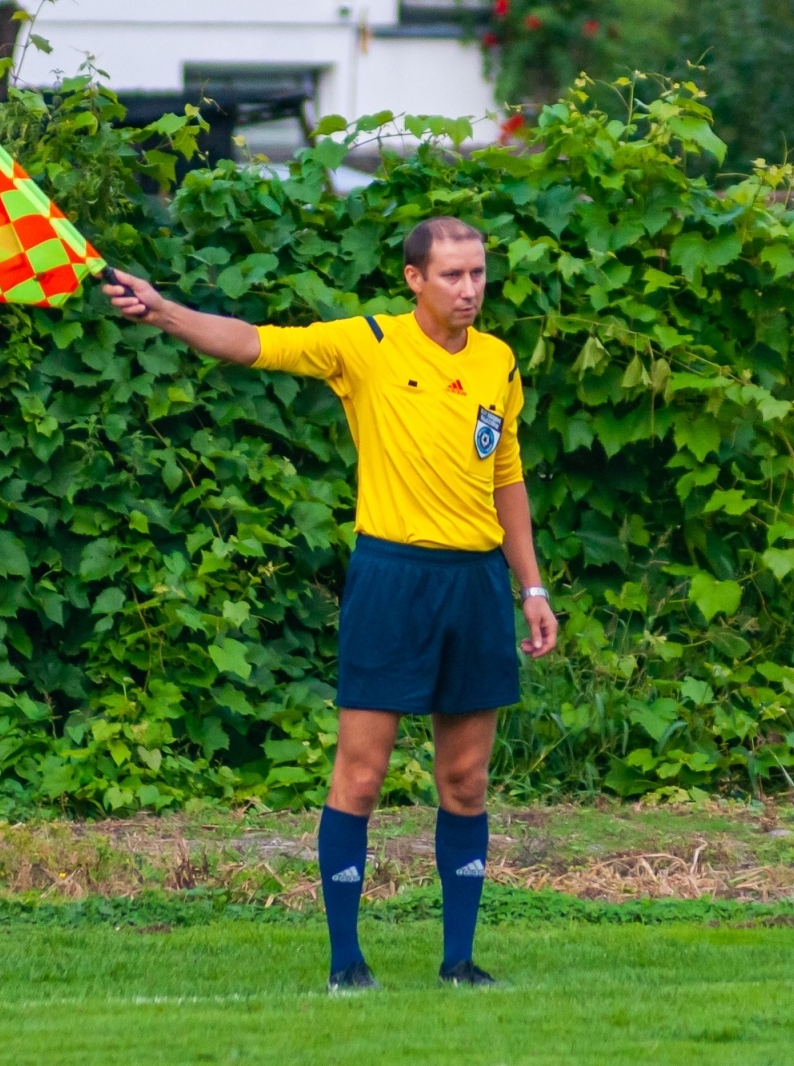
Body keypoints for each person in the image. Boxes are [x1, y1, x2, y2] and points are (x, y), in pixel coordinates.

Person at [104, 216, 558, 991]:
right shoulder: (366, 344)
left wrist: (533, 587)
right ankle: (347, 965)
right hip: (392, 578)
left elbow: (505, 472)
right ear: (414, 279)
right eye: (452, 275)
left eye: (478, 273)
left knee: (467, 781)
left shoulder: (499, 361)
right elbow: (253, 342)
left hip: (477, 585)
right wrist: (165, 310)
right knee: (361, 774)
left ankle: (459, 962)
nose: (470, 289)